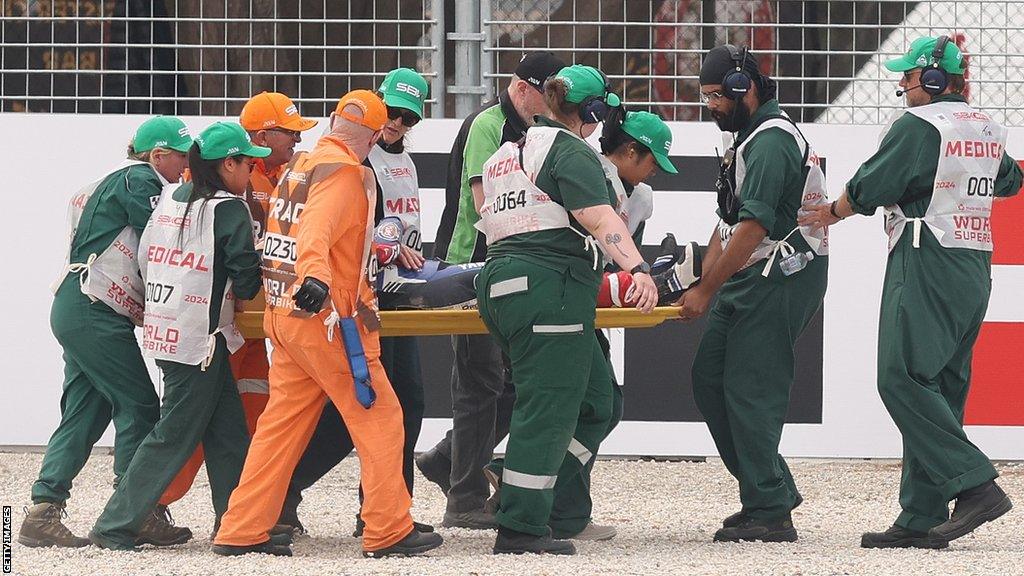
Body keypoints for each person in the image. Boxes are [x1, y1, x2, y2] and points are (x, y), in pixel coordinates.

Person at [800, 35, 1021, 549]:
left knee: (899, 377)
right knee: (939, 385)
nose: (901, 84)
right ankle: (921, 515)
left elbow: (873, 186)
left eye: (909, 76)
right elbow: (1009, 181)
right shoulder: (985, 127)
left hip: (925, 258)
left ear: (935, 80)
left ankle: (976, 485)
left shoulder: (918, 127)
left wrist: (832, 211)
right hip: (972, 266)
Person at [212, 90, 442, 558]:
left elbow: (289, 231)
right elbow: (316, 230)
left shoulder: (301, 165)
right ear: (376, 136)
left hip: (285, 317)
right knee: (381, 417)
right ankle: (388, 529)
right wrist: (315, 276)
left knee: (280, 426)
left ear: (333, 120)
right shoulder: (345, 171)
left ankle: (242, 527)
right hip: (330, 321)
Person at [474, 64, 658, 555]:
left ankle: (517, 487)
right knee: (548, 407)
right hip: (548, 289)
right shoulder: (569, 151)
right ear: (594, 112)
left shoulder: (504, 154)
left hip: (506, 285)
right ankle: (521, 527)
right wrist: (638, 268)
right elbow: (598, 218)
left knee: (597, 401)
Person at [86, 122, 267, 551]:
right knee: (173, 435)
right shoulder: (230, 210)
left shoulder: (169, 198)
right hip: (201, 340)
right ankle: (115, 522)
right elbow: (245, 281)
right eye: (247, 164)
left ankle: (237, 523)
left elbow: (146, 258)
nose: (251, 173)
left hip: (168, 328)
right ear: (228, 164)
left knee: (228, 434)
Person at [19, 116, 193, 549]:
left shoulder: (108, 180)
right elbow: (167, 239)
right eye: (182, 156)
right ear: (157, 156)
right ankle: (134, 512)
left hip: (78, 306)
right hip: (95, 310)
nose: (186, 166)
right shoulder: (140, 181)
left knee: (85, 412)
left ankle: (42, 512)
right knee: (139, 405)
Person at [679, 44, 829, 543]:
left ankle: (769, 507)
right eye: (705, 98)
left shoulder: (769, 141)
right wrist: (699, 281)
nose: (711, 108)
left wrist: (705, 292)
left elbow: (753, 227)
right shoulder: (749, 137)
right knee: (710, 378)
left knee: (750, 389)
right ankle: (770, 490)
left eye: (718, 96)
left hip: (783, 273)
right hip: (755, 273)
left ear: (745, 88)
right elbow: (729, 223)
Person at [277, 68, 434, 538]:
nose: (397, 125)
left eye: (408, 119)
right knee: (370, 408)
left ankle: (383, 508)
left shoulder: (400, 161)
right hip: (359, 296)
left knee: (399, 404)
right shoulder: (352, 162)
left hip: (391, 290)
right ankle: (301, 495)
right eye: (392, 114)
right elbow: (330, 229)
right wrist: (385, 248)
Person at [156, 92, 317, 535]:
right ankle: (152, 503)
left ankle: (249, 512)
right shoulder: (219, 181)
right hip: (218, 323)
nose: (298, 140)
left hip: (253, 325)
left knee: (257, 417)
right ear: (261, 136)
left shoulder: (285, 177)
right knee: (194, 424)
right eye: (291, 132)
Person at [418, 50, 566, 530]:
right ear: (521, 87)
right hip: (471, 265)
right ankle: (463, 498)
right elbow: (488, 204)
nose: (548, 106)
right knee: (478, 382)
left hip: (510, 264)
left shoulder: (536, 127)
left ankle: (446, 459)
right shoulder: (487, 124)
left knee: (514, 383)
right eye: (543, 96)